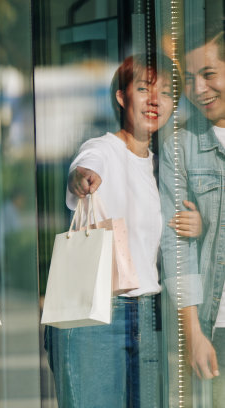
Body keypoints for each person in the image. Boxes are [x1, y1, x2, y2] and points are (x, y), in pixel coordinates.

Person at [45, 53, 189, 407]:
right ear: (122, 97)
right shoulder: (102, 149)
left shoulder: (163, 167)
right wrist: (81, 179)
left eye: (167, 93)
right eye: (144, 89)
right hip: (99, 313)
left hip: (149, 312)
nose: (156, 100)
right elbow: (83, 168)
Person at [160, 26, 225, 406]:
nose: (198, 89)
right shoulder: (181, 147)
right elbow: (175, 245)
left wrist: (210, 226)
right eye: (188, 79)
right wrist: (193, 334)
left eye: (209, 74)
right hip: (216, 326)